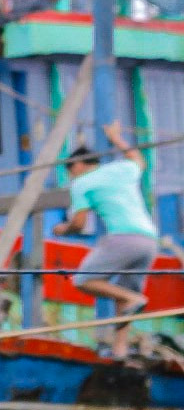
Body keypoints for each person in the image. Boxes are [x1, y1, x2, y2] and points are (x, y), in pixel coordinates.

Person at [54, 120, 159, 358]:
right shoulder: (121, 169)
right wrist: (116, 138)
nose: (70, 176)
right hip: (149, 241)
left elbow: (79, 223)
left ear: (78, 165)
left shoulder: (81, 183)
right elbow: (139, 160)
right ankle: (119, 350)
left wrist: (63, 229)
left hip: (123, 237)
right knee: (124, 300)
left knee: (83, 280)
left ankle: (134, 298)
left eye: (70, 171)